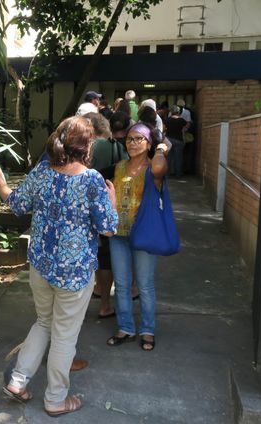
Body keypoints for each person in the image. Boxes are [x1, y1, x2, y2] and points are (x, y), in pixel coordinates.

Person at [0, 116, 118, 417]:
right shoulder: (92, 180)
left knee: (44, 323)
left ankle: (18, 382)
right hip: (74, 274)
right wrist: (110, 201)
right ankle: (56, 399)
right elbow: (109, 228)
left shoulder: (43, 171)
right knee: (63, 336)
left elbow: (17, 204)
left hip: (41, 267)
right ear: (86, 145)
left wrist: (0, 183)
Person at [106, 123, 171, 352]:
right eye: (130, 139)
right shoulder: (119, 167)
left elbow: (160, 168)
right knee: (122, 284)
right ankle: (126, 327)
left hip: (144, 235)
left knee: (144, 285)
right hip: (118, 234)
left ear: (148, 143)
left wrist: (161, 149)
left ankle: (147, 329)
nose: (133, 143)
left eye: (139, 139)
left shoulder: (153, 168)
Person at [84, 112, 128, 320]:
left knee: (92, 255)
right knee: (106, 256)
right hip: (106, 204)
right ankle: (105, 304)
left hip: (82, 207)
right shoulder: (114, 146)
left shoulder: (83, 147)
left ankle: (95, 293)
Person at [164, 106, 189, 177]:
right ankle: (178, 174)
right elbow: (187, 126)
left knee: (168, 158)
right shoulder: (182, 120)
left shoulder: (167, 120)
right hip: (179, 140)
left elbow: (163, 129)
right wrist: (183, 130)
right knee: (178, 158)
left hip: (169, 141)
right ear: (178, 112)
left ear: (171, 112)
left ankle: (167, 174)